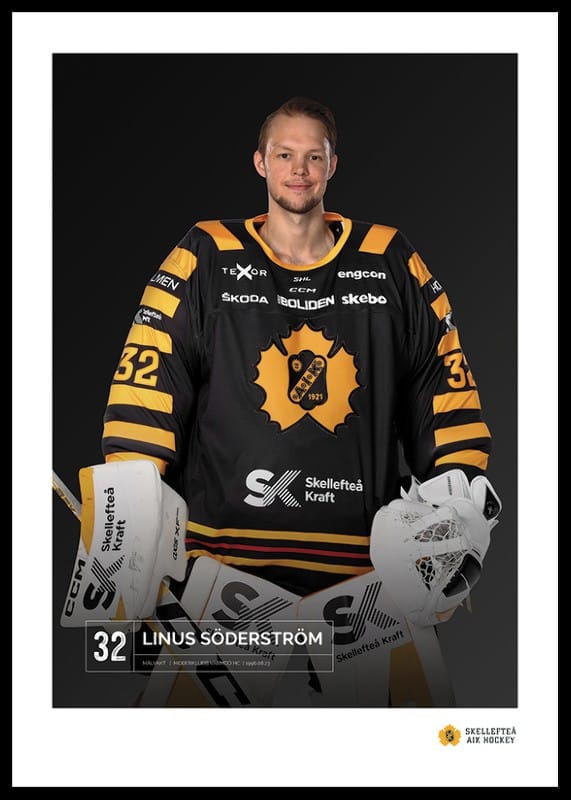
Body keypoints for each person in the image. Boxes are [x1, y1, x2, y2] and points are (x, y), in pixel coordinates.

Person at [98, 96, 501, 707]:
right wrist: (126, 522)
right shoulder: (206, 254)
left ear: (332, 164)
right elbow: (147, 383)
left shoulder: (391, 258)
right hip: (220, 561)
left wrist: (459, 508)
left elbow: (444, 387)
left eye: (314, 156)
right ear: (260, 162)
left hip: (368, 569)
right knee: (179, 747)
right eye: (285, 155)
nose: (299, 169)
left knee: (416, 745)